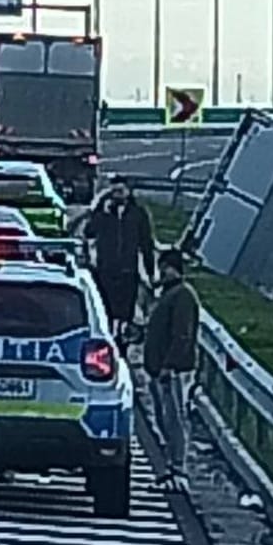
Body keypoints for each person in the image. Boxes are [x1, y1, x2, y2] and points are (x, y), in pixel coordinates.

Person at [141, 247, 200, 492]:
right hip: (160, 370)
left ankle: (178, 469)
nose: (161, 273)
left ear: (173, 268)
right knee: (164, 419)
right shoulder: (168, 295)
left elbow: (182, 335)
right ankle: (170, 467)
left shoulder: (182, 296)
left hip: (173, 371)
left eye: (164, 268)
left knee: (174, 420)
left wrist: (169, 365)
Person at [85, 176, 156, 342]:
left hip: (128, 271)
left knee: (126, 313)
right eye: (114, 192)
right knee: (106, 310)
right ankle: (107, 338)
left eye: (120, 191)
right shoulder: (104, 213)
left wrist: (151, 271)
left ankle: (122, 340)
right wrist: (100, 211)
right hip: (106, 271)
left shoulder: (138, 214)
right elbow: (89, 232)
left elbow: (146, 243)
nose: (117, 195)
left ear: (128, 192)